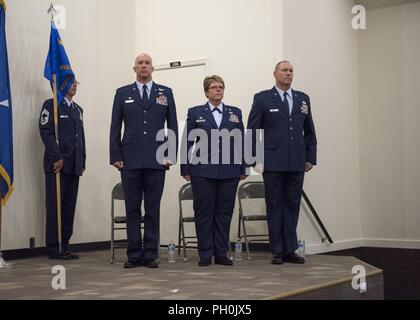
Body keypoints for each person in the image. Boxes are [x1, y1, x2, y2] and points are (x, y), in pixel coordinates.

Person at [110, 53, 178, 269]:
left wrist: (170, 154)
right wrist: (115, 155)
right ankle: (133, 254)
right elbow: (115, 126)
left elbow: (173, 126)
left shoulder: (165, 93)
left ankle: (150, 254)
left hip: (157, 160)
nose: (144, 66)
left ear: (152, 68)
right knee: (132, 209)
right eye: (140, 63)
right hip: (129, 161)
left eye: (147, 63)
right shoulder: (122, 94)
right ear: (134, 68)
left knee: (152, 208)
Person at [247, 61, 317, 265]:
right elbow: (253, 130)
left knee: (292, 206)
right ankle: (277, 250)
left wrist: (310, 157)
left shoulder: (302, 99)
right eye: (284, 70)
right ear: (275, 74)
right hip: (272, 162)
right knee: (275, 206)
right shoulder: (262, 98)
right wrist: (254, 157)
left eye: (291, 71)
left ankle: (290, 250)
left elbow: (309, 131)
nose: (288, 73)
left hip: (296, 162)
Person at [181, 75, 247, 267]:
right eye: (214, 87)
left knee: (224, 213)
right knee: (203, 212)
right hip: (202, 171)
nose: (218, 90)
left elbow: (241, 141)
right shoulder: (195, 113)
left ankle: (221, 253)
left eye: (221, 87)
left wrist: (243, 167)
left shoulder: (235, 113)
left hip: (229, 171)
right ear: (207, 91)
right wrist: (185, 167)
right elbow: (187, 141)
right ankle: (205, 253)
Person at [39, 79, 86, 260]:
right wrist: (56, 157)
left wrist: (82, 159)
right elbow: (46, 132)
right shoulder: (52, 105)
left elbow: (80, 137)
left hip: (74, 166)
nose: (75, 85)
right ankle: (54, 247)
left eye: (76, 83)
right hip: (58, 165)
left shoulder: (77, 109)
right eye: (71, 82)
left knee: (68, 207)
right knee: (55, 207)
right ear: (61, 85)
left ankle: (65, 244)